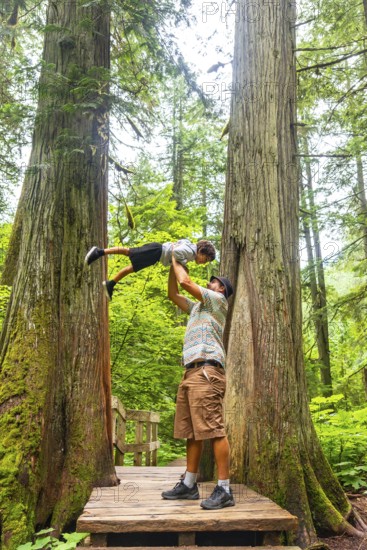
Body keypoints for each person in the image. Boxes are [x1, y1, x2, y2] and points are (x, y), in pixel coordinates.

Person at [162, 254, 235, 510]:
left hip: (207, 371)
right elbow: (173, 292)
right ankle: (189, 485)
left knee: (214, 429)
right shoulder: (196, 308)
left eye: (214, 282)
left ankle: (224, 489)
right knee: (192, 431)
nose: (210, 283)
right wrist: (171, 263)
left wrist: (175, 256)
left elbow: (185, 283)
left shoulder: (217, 301)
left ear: (221, 289)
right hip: (191, 372)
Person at [85, 238, 216, 300]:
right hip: (157, 251)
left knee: (133, 267)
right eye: (205, 259)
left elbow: (180, 243)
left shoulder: (190, 247)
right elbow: (176, 252)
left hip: (156, 255)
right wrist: (182, 265)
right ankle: (99, 252)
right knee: (130, 252)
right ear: (202, 251)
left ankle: (111, 283)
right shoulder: (190, 251)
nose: (203, 262)